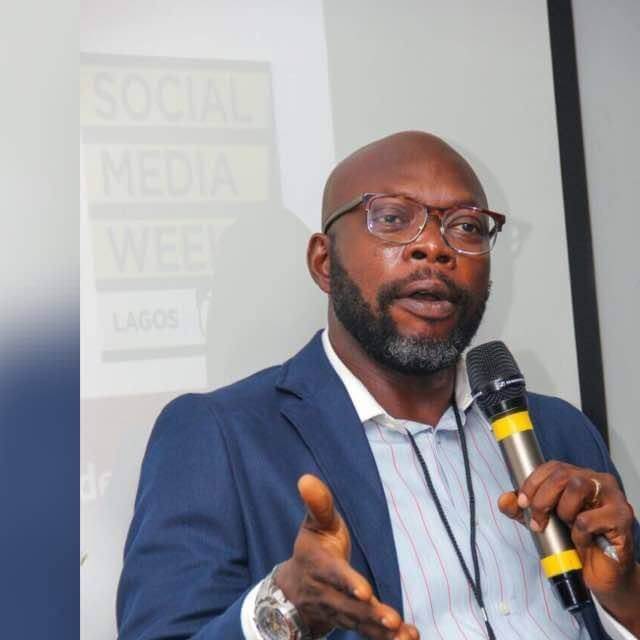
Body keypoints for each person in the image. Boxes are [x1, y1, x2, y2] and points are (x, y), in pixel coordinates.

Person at [116, 131, 640, 640]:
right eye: (392, 219)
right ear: (324, 262)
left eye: (466, 226)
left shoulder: (559, 430)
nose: (434, 247)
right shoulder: (219, 436)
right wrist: (285, 607)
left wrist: (625, 597)